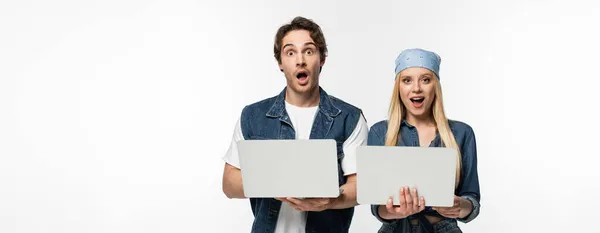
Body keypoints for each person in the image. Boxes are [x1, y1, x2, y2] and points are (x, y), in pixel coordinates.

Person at [221, 16, 368, 233]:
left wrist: (329, 201)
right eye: (290, 52)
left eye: (309, 51)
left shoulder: (349, 118)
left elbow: (361, 186)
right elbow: (229, 184)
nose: (300, 60)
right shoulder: (253, 116)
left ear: (322, 59)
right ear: (280, 62)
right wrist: (271, 181)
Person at [367, 48, 481, 233]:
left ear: (435, 86)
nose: (417, 88)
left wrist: (460, 206)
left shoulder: (462, 133)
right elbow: (376, 205)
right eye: (407, 80)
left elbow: (472, 199)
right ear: (399, 87)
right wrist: (395, 211)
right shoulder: (380, 132)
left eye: (425, 79)